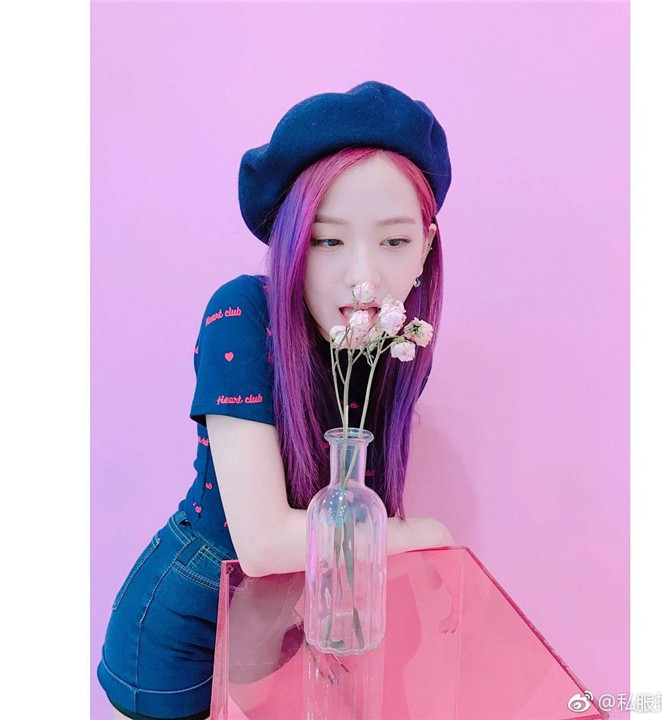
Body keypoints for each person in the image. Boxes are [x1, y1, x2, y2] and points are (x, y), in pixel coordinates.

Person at [97, 80, 456, 720]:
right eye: (327, 240)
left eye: (395, 241)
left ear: (427, 246)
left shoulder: (396, 347)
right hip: (184, 629)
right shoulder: (243, 314)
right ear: (289, 241)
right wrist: (423, 535)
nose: (364, 276)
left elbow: (340, 527)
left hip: (275, 629)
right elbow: (263, 542)